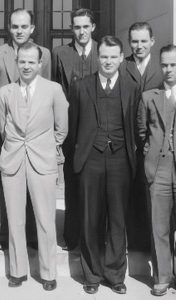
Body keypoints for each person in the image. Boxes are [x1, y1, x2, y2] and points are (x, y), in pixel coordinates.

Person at [69, 36, 139, 294]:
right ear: (98, 57)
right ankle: (92, 274)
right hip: (91, 159)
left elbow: (135, 125)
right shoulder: (81, 86)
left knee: (118, 220)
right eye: (104, 56)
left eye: (113, 56)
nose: (108, 61)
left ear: (122, 58)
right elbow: (73, 128)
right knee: (91, 218)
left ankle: (115, 274)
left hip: (121, 159)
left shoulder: (132, 87)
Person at [0, 42, 68, 291]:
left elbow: (62, 127)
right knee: (15, 219)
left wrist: (48, 145)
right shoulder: (6, 91)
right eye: (22, 61)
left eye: (31, 62)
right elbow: (1, 126)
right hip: (13, 159)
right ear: (17, 63)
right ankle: (18, 271)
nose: (26, 66)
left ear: (40, 64)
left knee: (45, 219)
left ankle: (48, 272)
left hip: (43, 159)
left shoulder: (54, 90)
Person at [0, 8, 51, 250]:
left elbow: (48, 89)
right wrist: (3, 131)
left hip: (36, 132)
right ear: (9, 28)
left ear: (32, 28)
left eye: (24, 26)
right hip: (8, 130)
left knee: (35, 184)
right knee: (10, 181)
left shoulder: (44, 54)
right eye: (15, 26)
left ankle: (34, 236)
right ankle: (7, 235)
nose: (19, 31)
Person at [52, 8, 98, 251]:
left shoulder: (103, 52)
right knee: (72, 182)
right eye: (77, 27)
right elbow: (55, 92)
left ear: (93, 27)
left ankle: (95, 237)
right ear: (72, 29)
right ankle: (72, 236)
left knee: (96, 185)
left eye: (85, 26)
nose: (81, 31)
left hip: (99, 130)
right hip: (71, 131)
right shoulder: (60, 53)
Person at [137, 44, 176, 297]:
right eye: (164, 65)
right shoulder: (149, 96)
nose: (169, 69)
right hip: (159, 168)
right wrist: (150, 155)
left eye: (173, 65)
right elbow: (142, 133)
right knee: (159, 226)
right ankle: (162, 276)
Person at [122, 22, 163, 251]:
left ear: (152, 41)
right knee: (129, 191)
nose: (139, 46)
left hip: (154, 141)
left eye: (143, 41)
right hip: (127, 140)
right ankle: (134, 241)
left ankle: (152, 242)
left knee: (154, 193)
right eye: (134, 41)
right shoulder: (122, 66)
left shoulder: (161, 68)